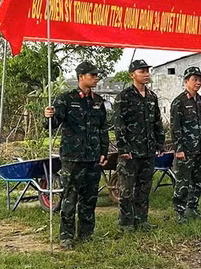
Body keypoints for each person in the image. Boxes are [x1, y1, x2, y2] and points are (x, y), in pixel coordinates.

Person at [44, 61, 109, 250]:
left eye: (96, 75)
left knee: (89, 198)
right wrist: (49, 116)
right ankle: (66, 236)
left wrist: (103, 152)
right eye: (92, 75)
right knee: (70, 197)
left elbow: (102, 129)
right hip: (73, 158)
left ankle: (86, 234)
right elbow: (53, 123)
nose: (96, 78)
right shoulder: (66, 99)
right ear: (81, 77)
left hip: (93, 157)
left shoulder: (98, 101)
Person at [113, 59, 165, 232]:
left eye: (147, 71)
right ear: (132, 74)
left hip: (148, 150)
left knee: (144, 187)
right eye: (142, 71)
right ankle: (126, 222)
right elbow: (119, 124)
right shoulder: (124, 97)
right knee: (126, 189)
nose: (146, 74)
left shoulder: (151, 96)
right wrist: (124, 149)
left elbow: (157, 122)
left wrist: (159, 143)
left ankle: (142, 220)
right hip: (130, 152)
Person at [169, 66, 201, 223]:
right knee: (183, 184)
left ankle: (192, 208)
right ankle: (179, 212)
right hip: (185, 151)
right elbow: (175, 128)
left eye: (200, 79)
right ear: (186, 81)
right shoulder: (179, 102)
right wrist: (179, 149)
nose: (198, 82)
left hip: (200, 150)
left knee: (199, 183)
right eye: (194, 79)